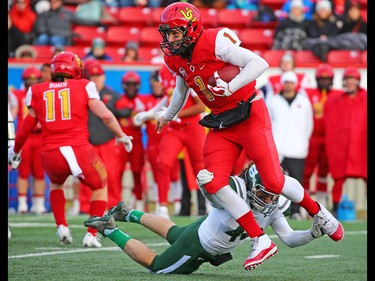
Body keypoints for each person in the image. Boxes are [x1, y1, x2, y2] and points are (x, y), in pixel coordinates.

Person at [153, 2, 343, 270]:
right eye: (167, 33)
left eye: (175, 33)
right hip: (221, 122)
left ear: (192, 30)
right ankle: (260, 239)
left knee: (273, 182)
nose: (169, 40)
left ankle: (321, 215)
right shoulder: (174, 57)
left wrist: (230, 86)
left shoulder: (216, 40)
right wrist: (169, 114)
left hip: (249, 112)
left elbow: (259, 62)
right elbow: (181, 87)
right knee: (214, 183)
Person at [83, 161, 325, 274]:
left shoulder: (273, 205)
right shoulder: (236, 190)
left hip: (203, 231)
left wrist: (312, 234)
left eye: (274, 194)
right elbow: (212, 196)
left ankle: (129, 213)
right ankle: (110, 228)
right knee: (157, 266)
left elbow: (289, 238)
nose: (270, 200)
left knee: (173, 232)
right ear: (252, 184)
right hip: (200, 245)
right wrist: (203, 185)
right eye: (264, 193)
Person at [8, 51, 134, 247]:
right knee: (100, 186)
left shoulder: (37, 90)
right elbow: (106, 116)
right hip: (78, 148)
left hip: (50, 152)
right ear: (75, 69)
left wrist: (15, 151)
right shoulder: (84, 86)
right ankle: (92, 234)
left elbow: (26, 126)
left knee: (57, 185)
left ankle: (62, 227)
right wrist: (121, 135)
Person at [134, 63, 207, 218]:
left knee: (200, 168)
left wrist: (175, 115)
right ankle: (163, 208)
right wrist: (150, 113)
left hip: (192, 127)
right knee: (163, 163)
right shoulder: (165, 73)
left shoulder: (188, 71)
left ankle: (210, 205)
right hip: (174, 129)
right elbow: (168, 99)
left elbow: (201, 107)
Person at [77, 59, 130, 215]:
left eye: (98, 75)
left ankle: (113, 205)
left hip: (107, 141)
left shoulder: (112, 94)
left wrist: (117, 111)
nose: (96, 79)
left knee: (112, 174)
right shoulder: (81, 94)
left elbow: (127, 109)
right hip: (87, 141)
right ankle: (85, 206)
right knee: (87, 174)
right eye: (92, 76)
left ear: (103, 77)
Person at [267, 71, 314, 220]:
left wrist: (303, 141)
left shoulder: (304, 101)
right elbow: (267, 123)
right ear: (282, 83)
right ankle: (271, 211)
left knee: (296, 182)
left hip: (297, 148)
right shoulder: (273, 101)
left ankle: (295, 211)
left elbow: (309, 124)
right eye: (286, 82)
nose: (288, 85)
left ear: (295, 84)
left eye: (291, 82)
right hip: (277, 147)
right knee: (273, 181)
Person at [323, 66, 367, 216]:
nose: (350, 83)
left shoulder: (365, 98)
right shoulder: (335, 101)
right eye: (348, 79)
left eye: (353, 79)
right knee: (338, 179)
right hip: (342, 147)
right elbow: (330, 124)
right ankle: (335, 209)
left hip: (361, 146)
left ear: (358, 81)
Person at [302, 63, 341, 207]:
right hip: (313, 137)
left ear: (331, 80)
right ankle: (305, 205)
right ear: (317, 79)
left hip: (330, 139)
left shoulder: (337, 95)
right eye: (322, 79)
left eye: (327, 79)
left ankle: (321, 202)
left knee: (325, 172)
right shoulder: (309, 93)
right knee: (307, 171)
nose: (324, 81)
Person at [11, 65, 47, 214]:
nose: (31, 82)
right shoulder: (17, 95)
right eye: (28, 79)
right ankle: (22, 203)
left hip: (40, 136)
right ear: (24, 81)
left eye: (34, 79)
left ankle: (39, 204)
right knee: (23, 172)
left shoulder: (44, 93)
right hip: (25, 137)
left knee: (39, 172)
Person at [115, 71, 147, 211]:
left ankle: (138, 202)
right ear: (124, 85)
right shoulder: (118, 101)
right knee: (118, 172)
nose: (131, 88)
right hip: (122, 141)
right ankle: (115, 201)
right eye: (129, 85)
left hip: (136, 141)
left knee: (137, 171)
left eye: (133, 85)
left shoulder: (142, 101)